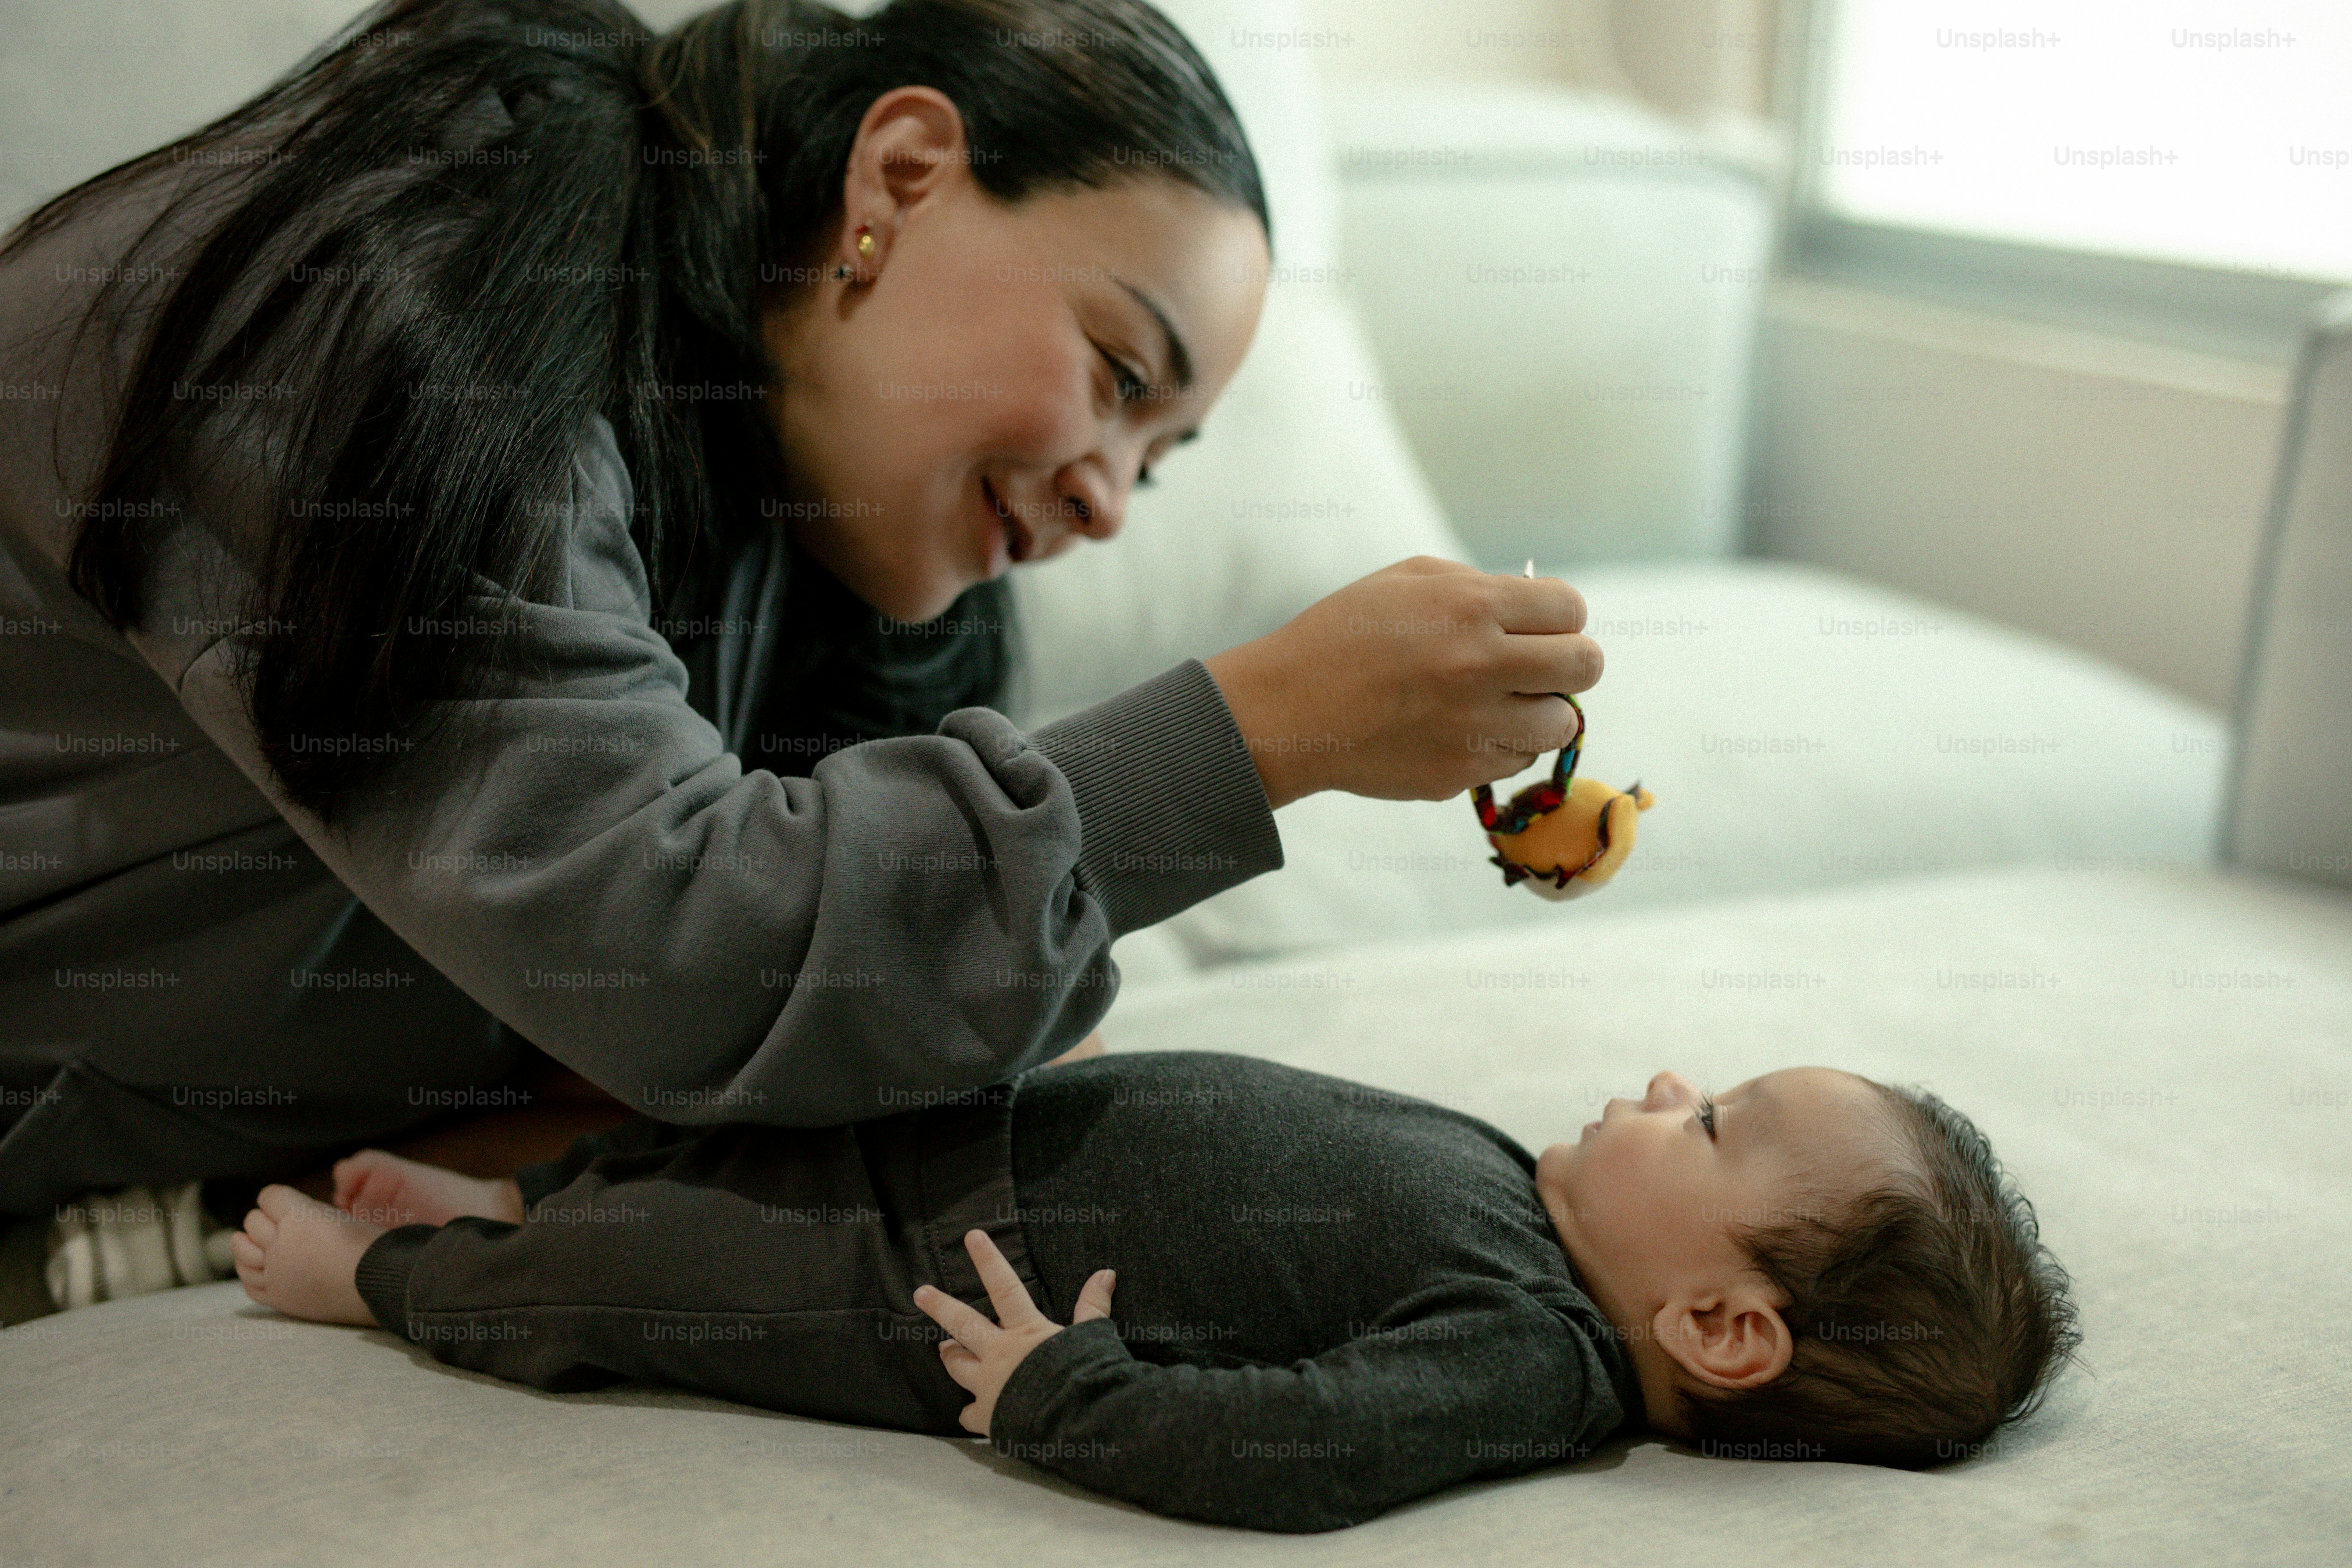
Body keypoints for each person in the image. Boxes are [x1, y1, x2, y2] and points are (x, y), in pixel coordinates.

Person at [0, 0, 1601, 1249]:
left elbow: (807, 998)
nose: (1108, 498)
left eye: (1158, 466)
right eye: (1119, 377)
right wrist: (1254, 734)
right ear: (899, 173)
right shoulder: (402, 301)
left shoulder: (778, 516)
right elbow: (667, 949)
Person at [225, 1050, 2083, 1532]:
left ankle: (389, 1280)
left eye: (1720, 1122)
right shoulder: (1535, 1209)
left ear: (1723, 1330)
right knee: (733, 1145)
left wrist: (1065, 1392)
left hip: (940, 1290)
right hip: (983, 1148)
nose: (1672, 1085)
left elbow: (1306, 1449)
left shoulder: (1531, 1362)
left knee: (668, 1278)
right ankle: (522, 1188)